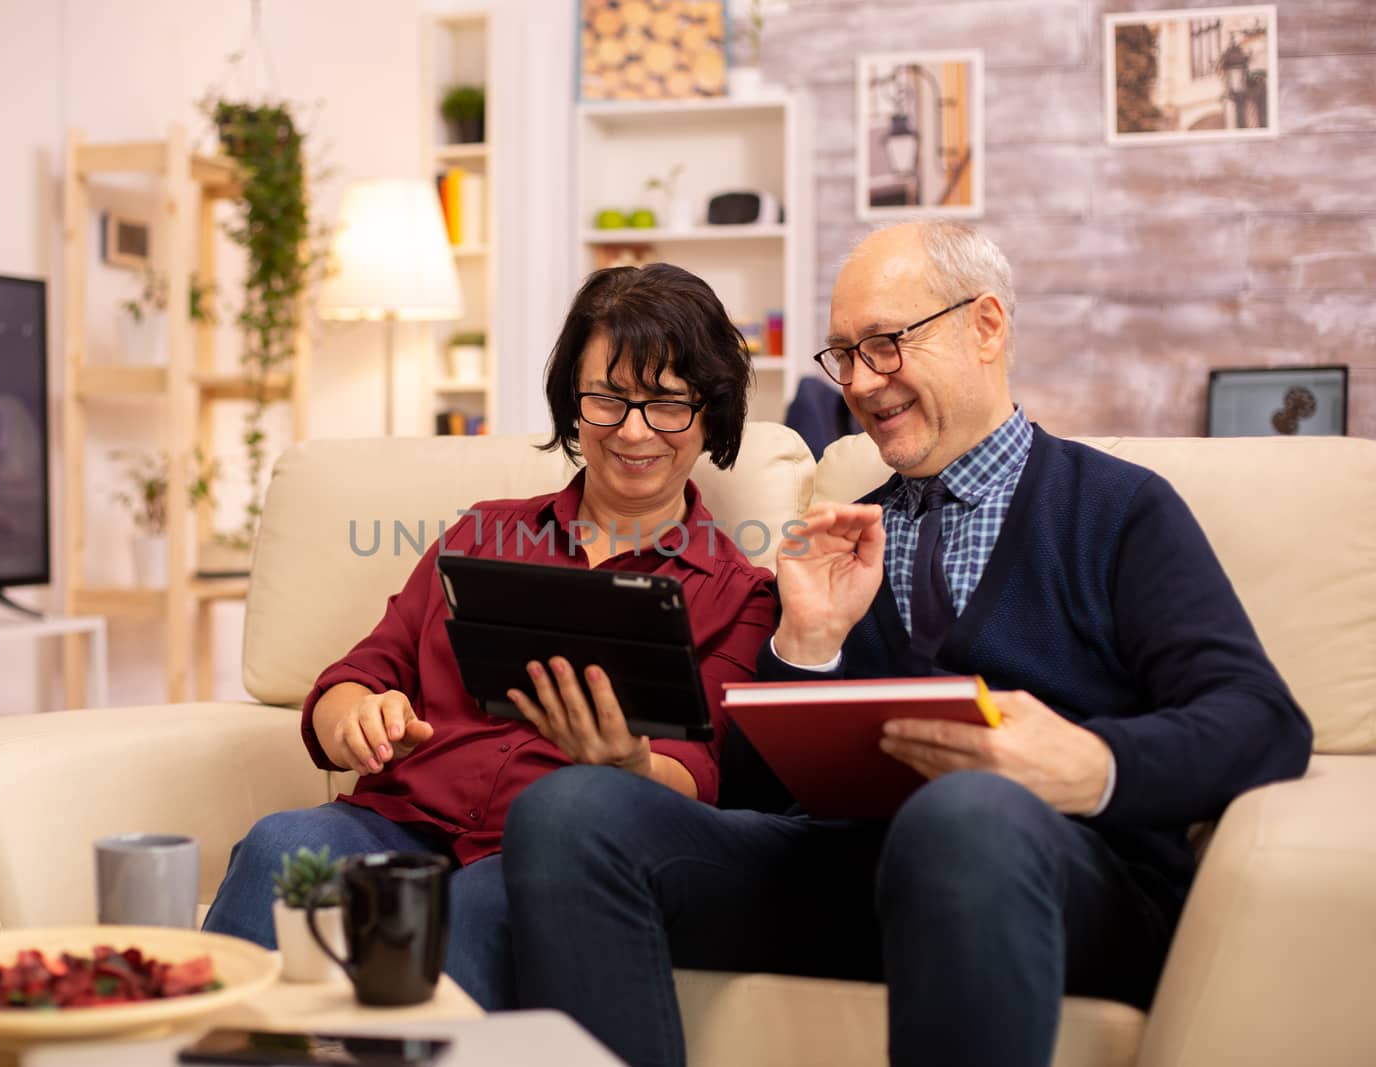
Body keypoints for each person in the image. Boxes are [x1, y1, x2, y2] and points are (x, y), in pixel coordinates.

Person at [500, 221, 1313, 1067]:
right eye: (843, 355)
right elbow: (746, 791)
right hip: (853, 869)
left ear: (987, 326)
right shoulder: (847, 535)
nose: (859, 381)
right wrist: (805, 646)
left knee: (962, 813)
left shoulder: (1116, 510)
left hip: (1052, 878)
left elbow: (1263, 721)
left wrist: (1091, 764)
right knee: (570, 812)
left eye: (884, 345)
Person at [201, 263, 778, 1011]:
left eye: (666, 402)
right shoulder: (483, 533)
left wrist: (630, 763)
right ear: (574, 404)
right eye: (607, 398)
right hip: (393, 819)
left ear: (710, 414)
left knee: (482, 908)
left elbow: (703, 774)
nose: (634, 430)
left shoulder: (740, 594)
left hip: (538, 854)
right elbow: (361, 671)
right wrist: (352, 715)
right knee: (283, 844)